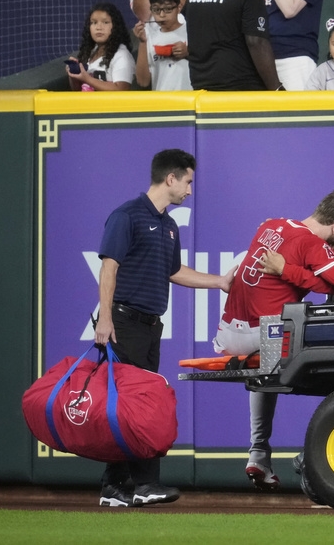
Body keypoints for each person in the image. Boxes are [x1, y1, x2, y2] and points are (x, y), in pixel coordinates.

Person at [96, 149, 233, 507]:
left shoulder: (169, 226)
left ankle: (115, 487)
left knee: (130, 406)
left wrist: (219, 281)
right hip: (124, 324)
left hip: (150, 327)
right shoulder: (126, 216)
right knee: (136, 406)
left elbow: (175, 272)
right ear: (170, 179)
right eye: (188, 181)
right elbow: (109, 268)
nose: (190, 189)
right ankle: (143, 485)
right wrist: (106, 319)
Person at [212, 190, 334, 490]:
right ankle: (320, 455)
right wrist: (289, 271)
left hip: (228, 332)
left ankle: (258, 453)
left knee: (265, 376)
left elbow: (321, 281)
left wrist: (289, 271)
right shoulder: (313, 244)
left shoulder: (270, 224)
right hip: (264, 335)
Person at [133, 0, 191, 91]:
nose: (162, 15)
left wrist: (188, 53)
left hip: (189, 100)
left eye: (168, 9)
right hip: (162, 103)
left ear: (179, 8)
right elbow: (142, 82)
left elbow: (209, 64)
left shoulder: (190, 32)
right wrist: (142, 42)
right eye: (156, 10)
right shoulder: (149, 38)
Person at [66, 2, 135, 92]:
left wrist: (88, 79)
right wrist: (74, 75)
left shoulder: (121, 55)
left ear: (115, 26)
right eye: (94, 23)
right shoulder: (90, 52)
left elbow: (122, 90)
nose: (98, 27)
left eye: (105, 22)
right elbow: (78, 91)